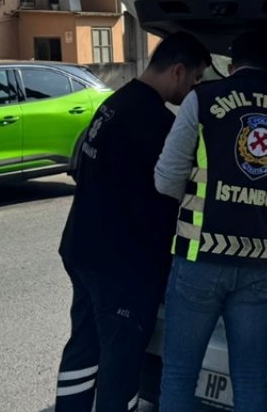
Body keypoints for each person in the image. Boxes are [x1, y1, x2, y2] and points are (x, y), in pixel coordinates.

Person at [154, 31, 267, 412]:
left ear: (231, 67)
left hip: (199, 257)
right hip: (260, 265)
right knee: (250, 376)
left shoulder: (202, 99)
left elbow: (166, 181)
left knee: (180, 374)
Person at [55, 32, 211, 412]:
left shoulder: (115, 102)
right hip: (121, 265)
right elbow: (178, 193)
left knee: (84, 347)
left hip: (82, 248)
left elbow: (83, 171)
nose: (194, 90)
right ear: (178, 71)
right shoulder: (155, 123)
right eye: (195, 80)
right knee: (121, 364)